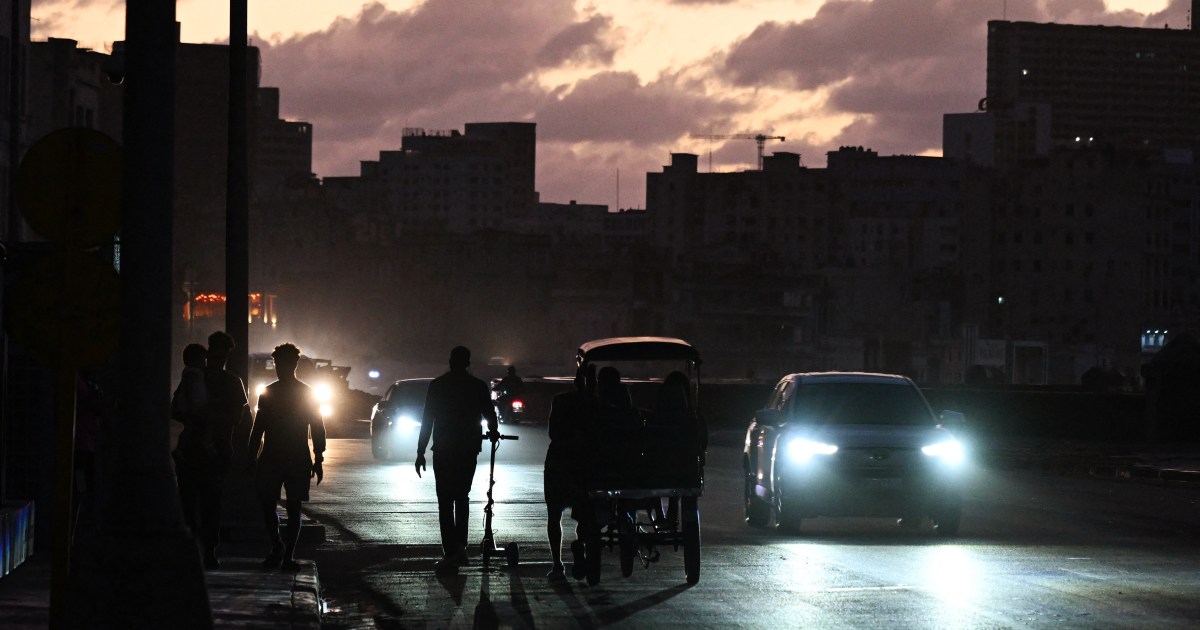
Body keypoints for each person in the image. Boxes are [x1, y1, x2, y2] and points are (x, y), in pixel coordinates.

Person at [416, 346, 498, 572]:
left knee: (445, 500)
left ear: (451, 361)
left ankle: (450, 552)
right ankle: (461, 547)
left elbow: (427, 419)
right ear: (468, 363)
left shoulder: (438, 385)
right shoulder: (477, 386)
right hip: (468, 449)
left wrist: (420, 451)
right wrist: (493, 431)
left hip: (444, 449)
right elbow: (489, 413)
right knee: (462, 497)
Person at [247, 343, 327, 571]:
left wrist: (251, 456)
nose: (279, 367)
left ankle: (282, 550)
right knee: (285, 507)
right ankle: (284, 551)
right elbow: (317, 427)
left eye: (280, 363)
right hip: (293, 456)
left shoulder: (270, 393)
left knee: (280, 506)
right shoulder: (304, 393)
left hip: (276, 455)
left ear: (291, 364)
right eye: (278, 363)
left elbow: (258, 428)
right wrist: (318, 457)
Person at [543, 364, 595, 579]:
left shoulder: (560, 400)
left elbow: (553, 433)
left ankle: (557, 563)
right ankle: (582, 547)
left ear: (575, 381)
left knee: (554, 515)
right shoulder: (597, 403)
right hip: (586, 464)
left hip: (559, 462)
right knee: (587, 514)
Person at [171, 343, 219, 567]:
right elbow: (195, 407)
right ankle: (200, 550)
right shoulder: (193, 378)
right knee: (202, 501)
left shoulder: (187, 378)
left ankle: (194, 548)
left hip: (190, 443)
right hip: (196, 444)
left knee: (189, 501)